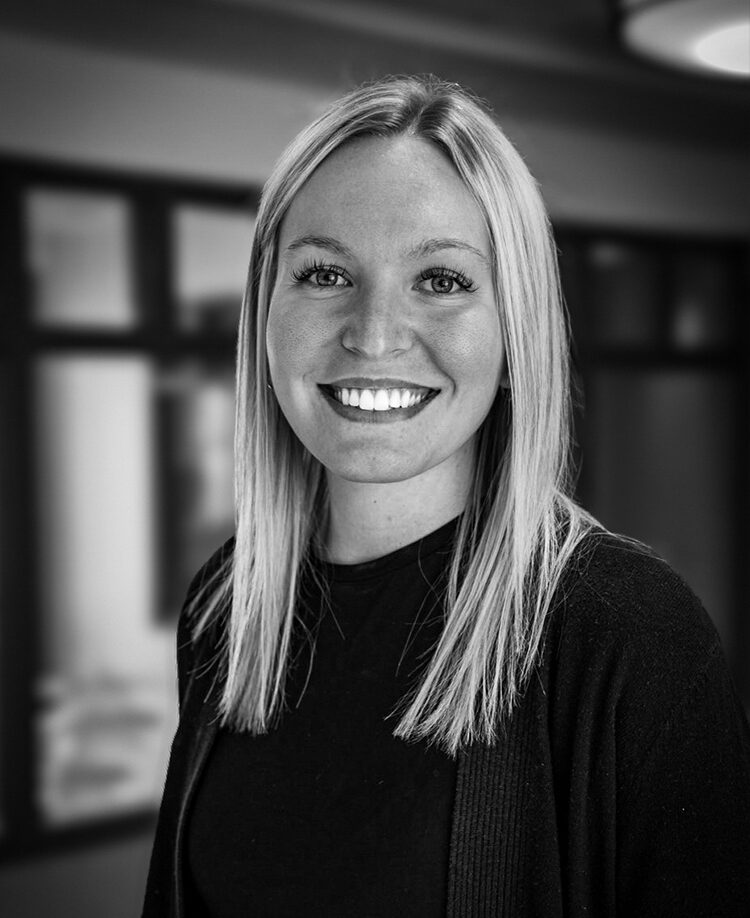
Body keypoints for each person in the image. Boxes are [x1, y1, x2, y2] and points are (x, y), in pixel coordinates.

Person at [142, 75, 750, 917]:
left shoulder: (628, 636)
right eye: (323, 273)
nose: (375, 332)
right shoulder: (226, 607)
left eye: (442, 280)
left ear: (515, 324)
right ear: (265, 311)